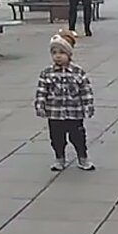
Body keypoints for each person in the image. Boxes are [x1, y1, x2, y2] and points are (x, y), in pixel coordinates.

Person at [34, 30, 96, 171]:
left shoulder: (78, 72)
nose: (58, 56)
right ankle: (59, 158)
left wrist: (88, 106)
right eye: (54, 53)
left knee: (78, 137)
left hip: (74, 113)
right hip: (55, 113)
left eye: (61, 53)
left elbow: (86, 90)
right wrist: (40, 105)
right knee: (57, 138)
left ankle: (82, 157)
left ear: (69, 54)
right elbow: (42, 91)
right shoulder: (47, 73)